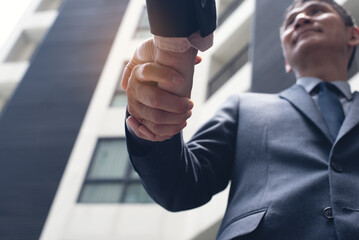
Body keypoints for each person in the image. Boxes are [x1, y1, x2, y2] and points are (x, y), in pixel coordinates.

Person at [122, 0, 359, 239]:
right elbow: (181, 186)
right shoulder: (243, 108)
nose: (301, 20)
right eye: (290, 22)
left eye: (317, 11)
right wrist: (151, 122)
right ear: (286, 59)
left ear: (353, 35)